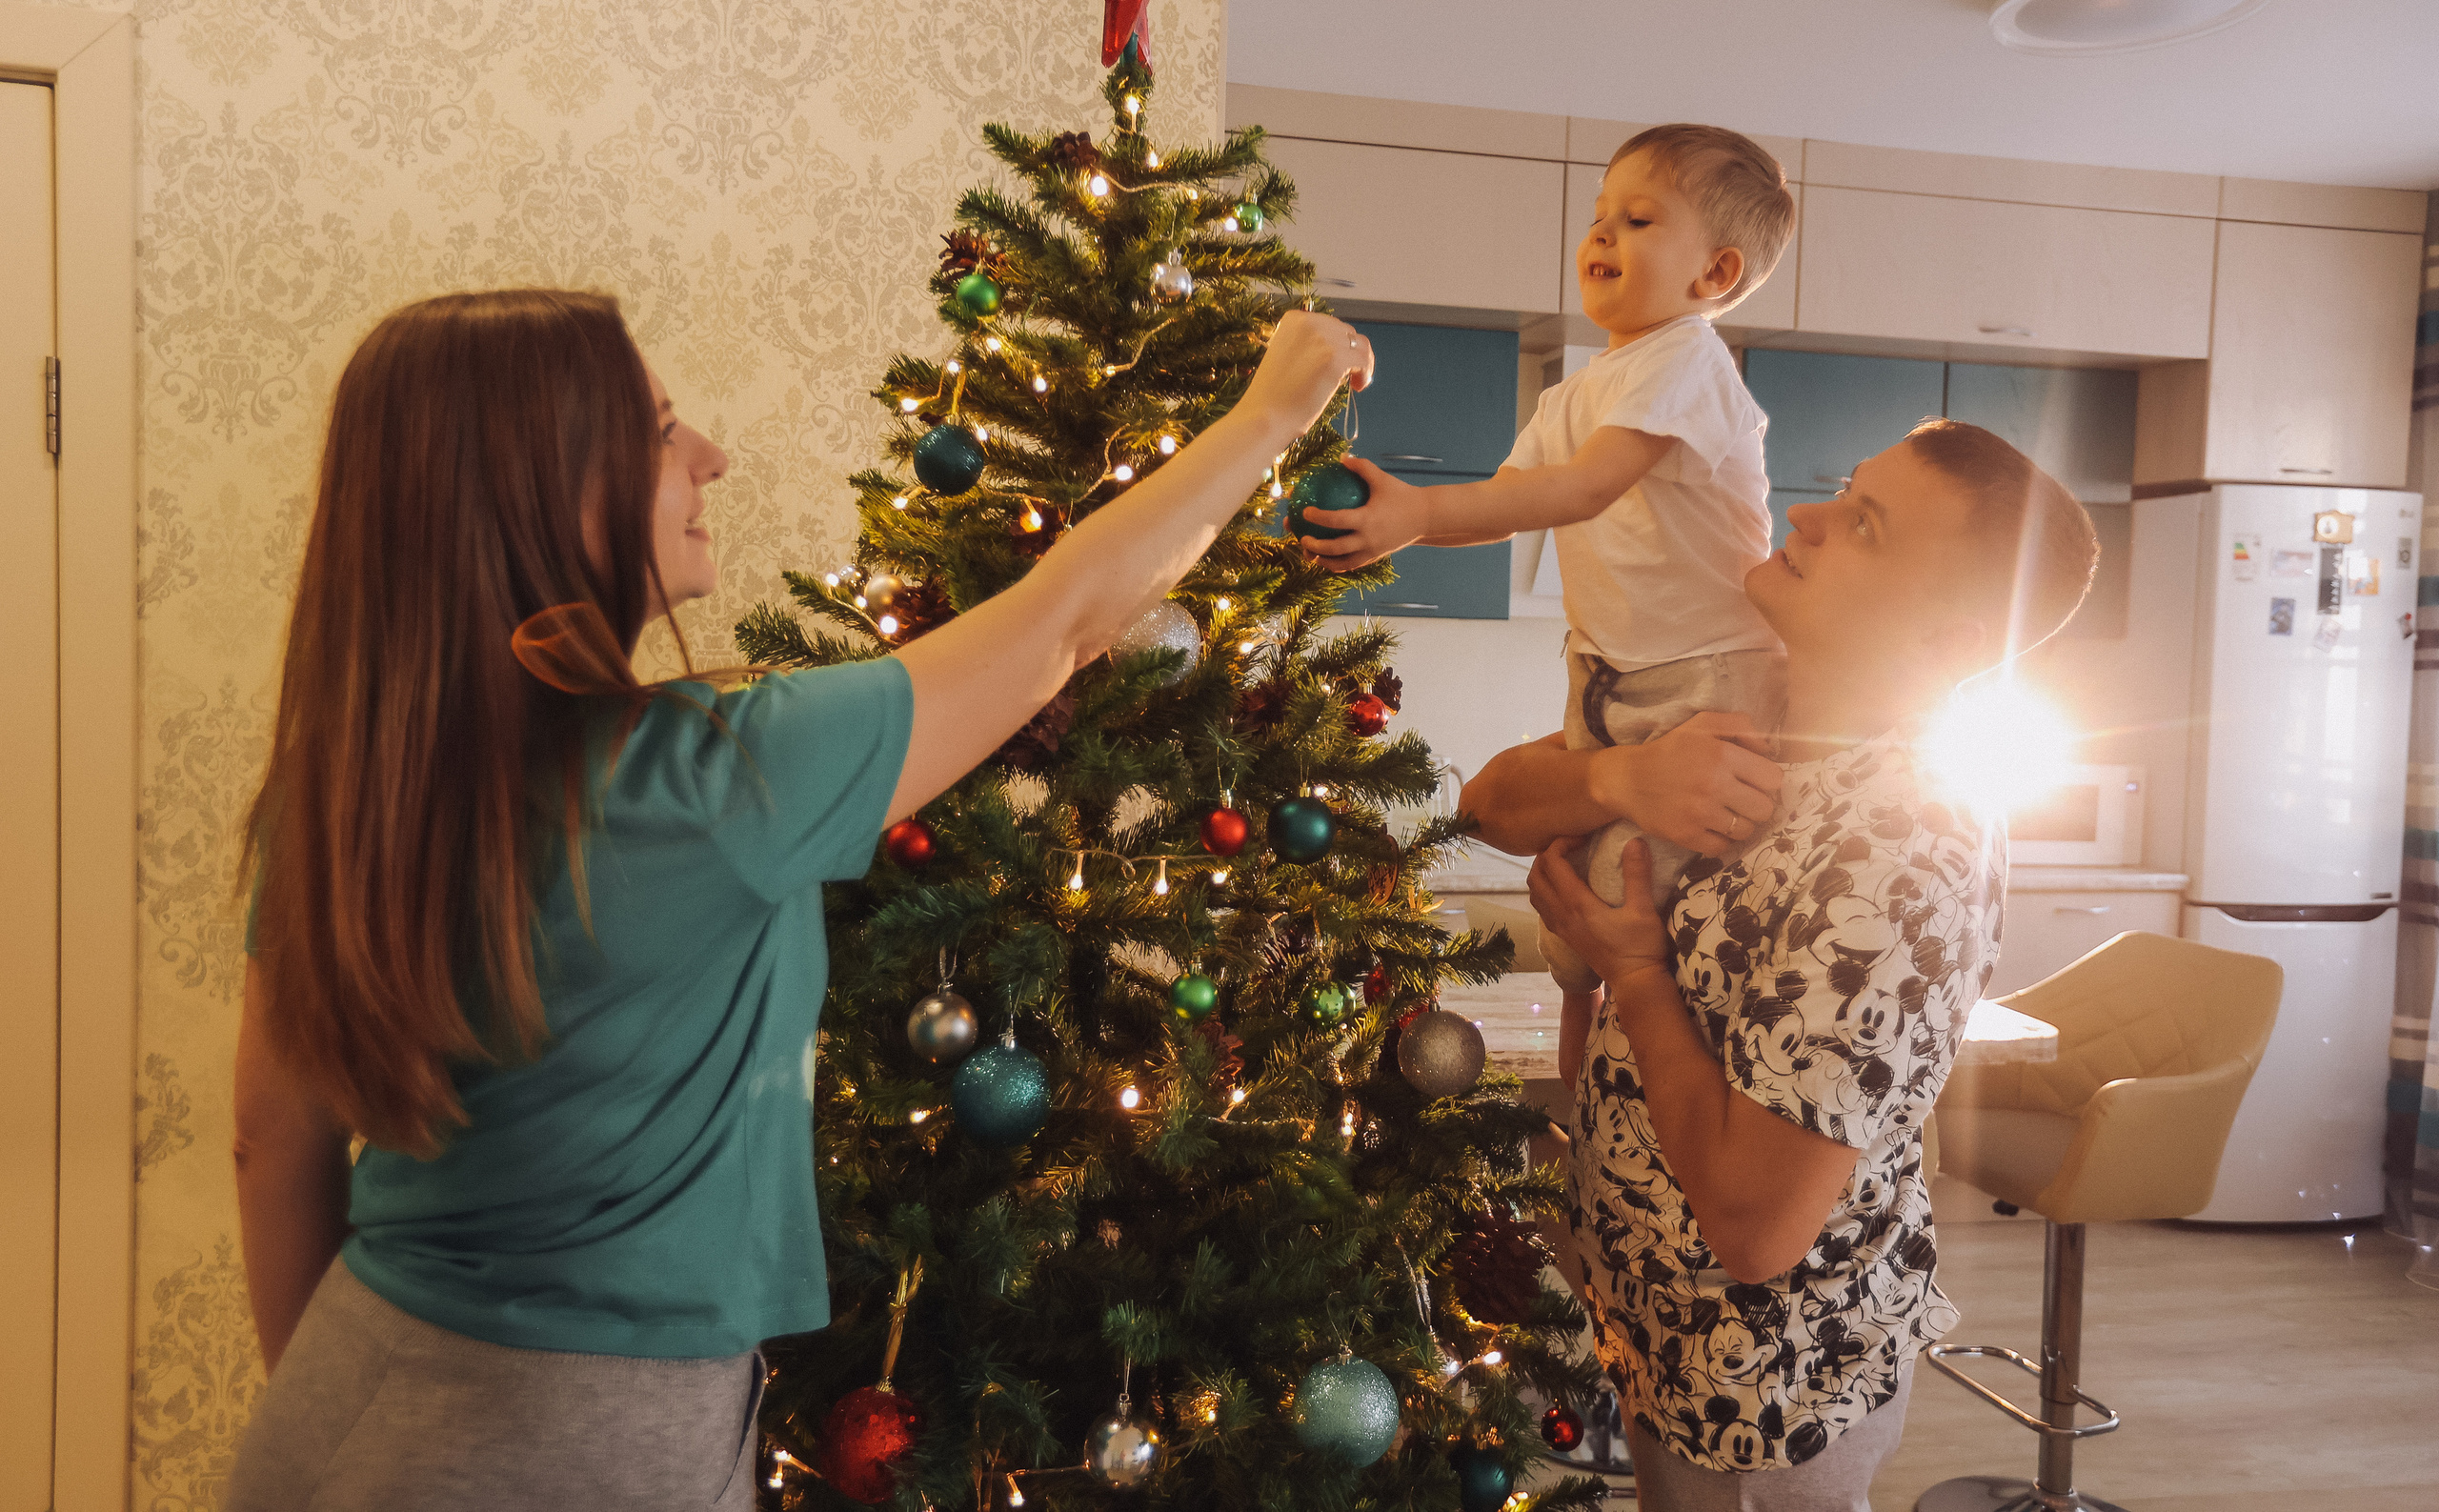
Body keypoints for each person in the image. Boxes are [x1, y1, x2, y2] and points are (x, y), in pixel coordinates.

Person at [226, 289, 1373, 1509]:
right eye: (660, 430)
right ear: (547, 487)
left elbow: (272, 1139)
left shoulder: (345, 787)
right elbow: (1068, 619)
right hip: (588, 1441)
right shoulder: (710, 780)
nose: (708, 456)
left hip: (344, 1391)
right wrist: (1272, 408)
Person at [1466, 421, 2098, 1510]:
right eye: (1842, 489)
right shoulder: (1748, 711)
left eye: (1865, 524)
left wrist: (1638, 971)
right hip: (1661, 1336)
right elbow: (1487, 804)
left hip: (1766, 1386)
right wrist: (1623, 777)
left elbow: (1757, 1229)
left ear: (1949, 640)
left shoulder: (1903, 851)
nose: (1806, 514)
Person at [1296, 125, 1797, 1091]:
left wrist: (1415, 514)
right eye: (1600, 214)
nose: (1601, 234)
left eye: (1638, 219)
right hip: (1608, 674)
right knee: (1568, 900)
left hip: (1709, 674)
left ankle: (1606, 1102)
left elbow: (1578, 493)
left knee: (1625, 905)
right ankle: (1581, 1122)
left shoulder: (1689, 359)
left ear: (1714, 272)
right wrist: (1387, 528)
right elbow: (1501, 504)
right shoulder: (1586, 386)